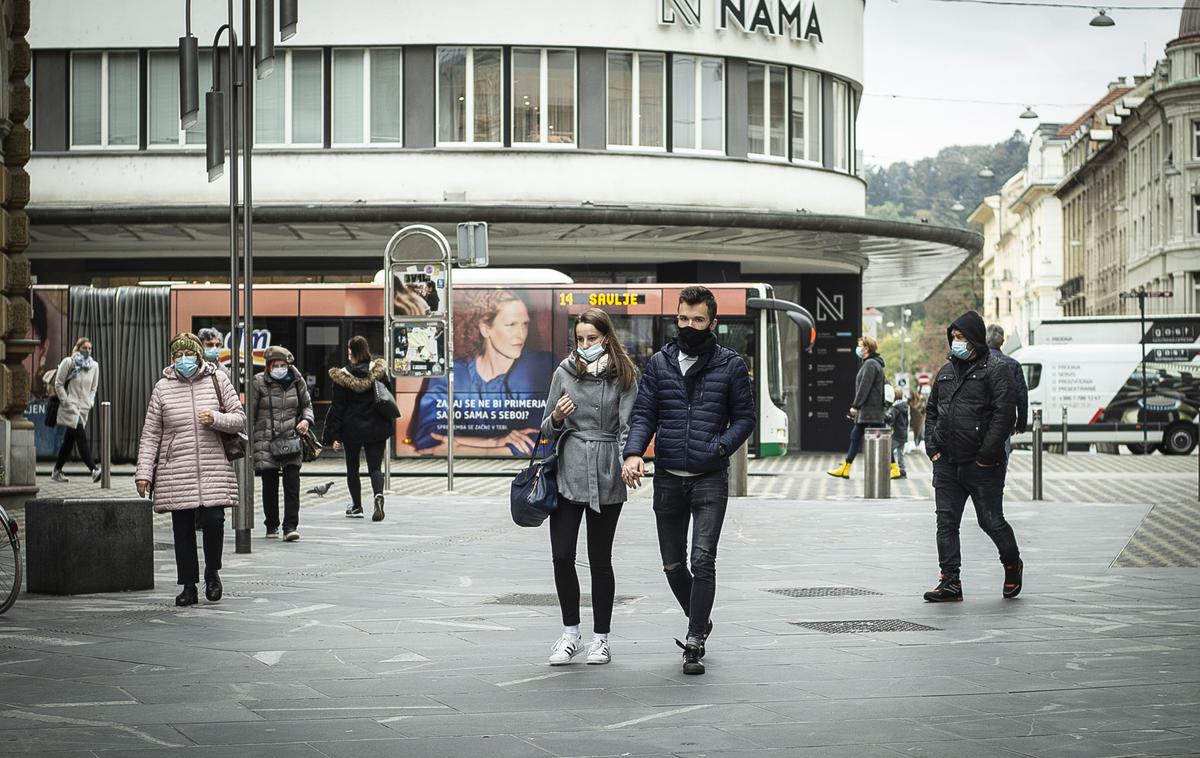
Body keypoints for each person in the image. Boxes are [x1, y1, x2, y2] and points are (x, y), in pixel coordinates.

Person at [622, 286, 755, 676]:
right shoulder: (660, 364)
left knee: (703, 560)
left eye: (698, 320)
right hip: (667, 479)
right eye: (683, 319)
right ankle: (701, 618)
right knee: (673, 566)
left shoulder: (730, 365)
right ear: (675, 318)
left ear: (713, 323)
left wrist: (720, 447)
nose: (690, 326)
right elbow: (644, 413)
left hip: (709, 478)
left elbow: (745, 418)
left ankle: (695, 637)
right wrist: (633, 452)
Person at [540, 308, 639, 667]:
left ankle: (601, 639)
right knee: (562, 555)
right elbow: (546, 429)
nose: (584, 345)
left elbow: (630, 426)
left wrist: (630, 458)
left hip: (607, 473)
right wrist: (557, 417)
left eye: (592, 339)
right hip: (568, 471)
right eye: (580, 339)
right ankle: (570, 634)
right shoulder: (564, 372)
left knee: (600, 559)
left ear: (607, 338)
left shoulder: (625, 375)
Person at [135, 332, 245, 607]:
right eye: (178, 355)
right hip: (176, 468)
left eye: (189, 354)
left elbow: (239, 418)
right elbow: (151, 434)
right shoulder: (162, 387)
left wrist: (216, 418)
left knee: (213, 522)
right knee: (182, 530)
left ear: (198, 355)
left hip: (212, 466)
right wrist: (144, 473)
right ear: (172, 359)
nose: (183, 359)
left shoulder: (218, 379)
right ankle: (188, 585)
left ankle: (212, 573)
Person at [923, 311, 1022, 603]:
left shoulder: (996, 369)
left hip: (982, 464)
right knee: (946, 521)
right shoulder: (945, 372)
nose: (956, 343)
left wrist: (986, 454)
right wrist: (934, 449)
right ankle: (950, 581)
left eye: (961, 337)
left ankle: (1012, 563)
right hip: (947, 462)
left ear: (975, 338)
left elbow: (1005, 414)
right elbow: (931, 412)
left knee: (990, 521)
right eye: (953, 338)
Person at [410, 289, 554, 456]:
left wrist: (460, 448)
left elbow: (541, 441)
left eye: (525, 324)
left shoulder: (539, 367)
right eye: (511, 325)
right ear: (485, 328)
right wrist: (494, 442)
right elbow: (427, 438)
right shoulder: (452, 375)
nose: (521, 335)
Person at [324, 336, 393, 521]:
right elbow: (387, 395)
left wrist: (335, 435)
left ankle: (357, 506)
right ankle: (378, 495)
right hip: (376, 427)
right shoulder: (378, 371)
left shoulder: (342, 376)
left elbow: (338, 408)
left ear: (352, 352)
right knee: (375, 468)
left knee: (352, 469)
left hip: (351, 429)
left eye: (349, 350)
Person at [253, 346, 314, 541]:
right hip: (266, 440)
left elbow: (307, 405)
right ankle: (271, 525)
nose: (280, 368)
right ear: (269, 366)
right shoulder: (258, 382)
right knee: (269, 484)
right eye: (275, 365)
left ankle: (290, 527)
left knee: (292, 483)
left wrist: (306, 420)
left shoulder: (297, 381)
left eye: (283, 365)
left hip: (291, 437)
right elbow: (250, 412)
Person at [827, 336, 887, 479]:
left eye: (860, 346)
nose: (858, 349)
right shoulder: (871, 363)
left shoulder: (870, 364)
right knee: (857, 435)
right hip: (870, 410)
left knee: (879, 438)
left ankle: (893, 467)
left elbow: (864, 387)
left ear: (866, 348)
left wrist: (855, 405)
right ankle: (846, 468)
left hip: (870, 410)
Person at [50, 337, 101, 484]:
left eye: (90, 348)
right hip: (70, 407)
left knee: (69, 441)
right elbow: (58, 384)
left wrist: (90, 402)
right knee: (81, 437)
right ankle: (93, 469)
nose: (88, 351)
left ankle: (57, 470)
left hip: (83, 408)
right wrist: (66, 402)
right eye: (85, 348)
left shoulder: (94, 366)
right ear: (78, 348)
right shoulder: (69, 362)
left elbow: (94, 388)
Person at [986, 323, 1030, 455]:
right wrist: (1021, 425)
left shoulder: (976, 363)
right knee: (1001, 461)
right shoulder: (1013, 365)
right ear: (1002, 342)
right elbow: (1022, 396)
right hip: (1004, 422)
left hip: (980, 422)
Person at [886, 390, 910, 478]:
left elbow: (891, 419)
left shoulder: (895, 408)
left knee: (888, 450)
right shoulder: (904, 407)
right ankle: (902, 470)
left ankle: (894, 469)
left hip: (897, 434)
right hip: (903, 433)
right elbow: (906, 422)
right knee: (900, 453)